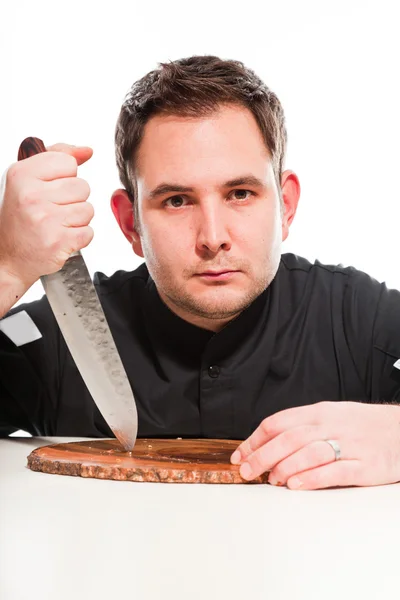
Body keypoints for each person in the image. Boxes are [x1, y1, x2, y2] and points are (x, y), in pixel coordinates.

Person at [1, 55, 400, 491]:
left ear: (285, 206)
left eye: (241, 193)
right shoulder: (53, 334)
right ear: (130, 222)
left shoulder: (362, 319)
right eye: (176, 200)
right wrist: (7, 268)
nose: (212, 237)